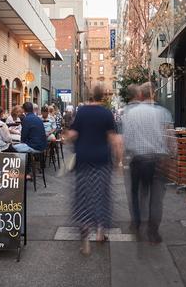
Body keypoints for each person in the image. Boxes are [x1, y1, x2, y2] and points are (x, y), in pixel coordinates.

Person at [68, 85, 121, 256]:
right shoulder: (106, 113)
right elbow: (114, 139)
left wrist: (67, 140)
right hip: (102, 161)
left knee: (83, 197)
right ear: (103, 97)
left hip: (83, 160)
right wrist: (118, 161)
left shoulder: (82, 112)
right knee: (101, 195)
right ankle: (100, 232)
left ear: (90, 96)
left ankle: (85, 241)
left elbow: (72, 135)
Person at [122, 82, 173, 243]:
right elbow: (170, 138)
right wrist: (172, 156)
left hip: (137, 160)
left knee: (136, 193)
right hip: (158, 159)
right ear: (154, 95)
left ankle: (137, 222)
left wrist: (126, 155)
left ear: (141, 95)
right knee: (156, 197)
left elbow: (127, 140)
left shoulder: (131, 113)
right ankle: (153, 231)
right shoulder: (163, 113)